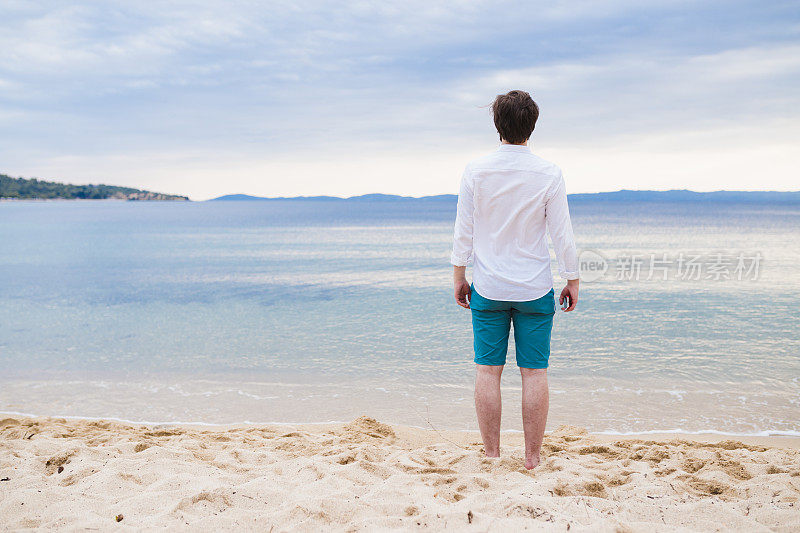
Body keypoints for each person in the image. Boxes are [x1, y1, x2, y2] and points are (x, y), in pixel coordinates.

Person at [450, 90, 579, 470]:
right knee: (534, 372)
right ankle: (532, 459)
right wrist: (573, 279)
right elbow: (562, 234)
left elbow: (464, 232)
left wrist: (459, 275)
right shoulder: (549, 173)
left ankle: (491, 456)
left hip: (488, 287)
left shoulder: (476, 170)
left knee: (488, 371)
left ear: (497, 126)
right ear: (532, 126)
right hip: (534, 288)